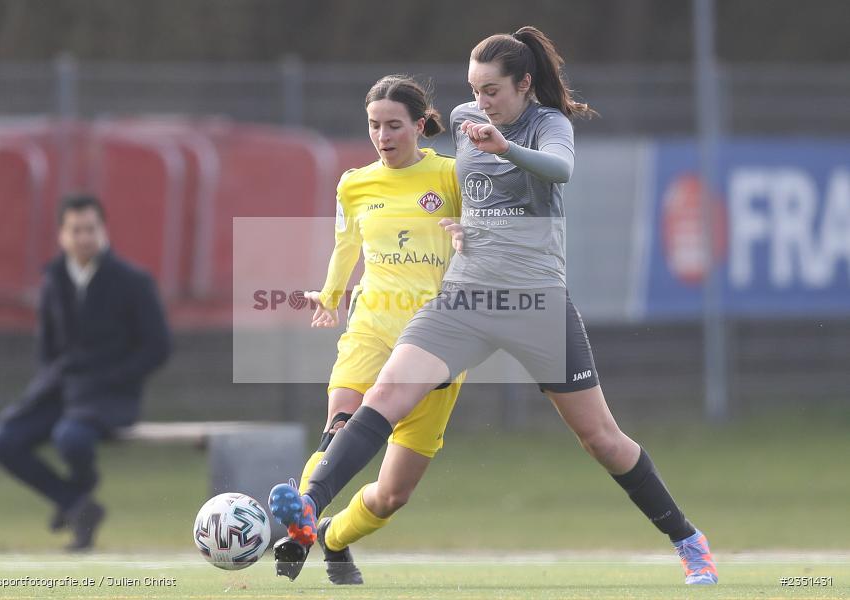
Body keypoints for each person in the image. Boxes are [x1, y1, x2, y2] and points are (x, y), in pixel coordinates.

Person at [270, 26, 719, 586]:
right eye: (473, 90)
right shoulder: (461, 120)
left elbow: (561, 171)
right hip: (464, 297)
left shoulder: (546, 124)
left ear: (524, 84)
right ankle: (309, 505)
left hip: (535, 300)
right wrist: (463, 227)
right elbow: (471, 194)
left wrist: (505, 146)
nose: (479, 103)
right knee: (383, 396)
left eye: (491, 91)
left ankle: (688, 539)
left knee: (600, 438)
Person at [270, 75, 465, 585]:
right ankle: (303, 521)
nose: (383, 135)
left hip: (437, 339)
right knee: (339, 425)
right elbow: (346, 245)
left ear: (419, 125)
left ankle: (331, 536)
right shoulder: (354, 183)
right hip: (372, 324)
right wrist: (330, 297)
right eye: (375, 125)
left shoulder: (451, 177)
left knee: (391, 495)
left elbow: (487, 237)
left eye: (394, 125)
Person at [0, 194, 171, 551]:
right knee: (4, 441)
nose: (84, 237)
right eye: (76, 230)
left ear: (103, 231)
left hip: (109, 394)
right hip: (60, 390)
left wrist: (117, 377)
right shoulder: (53, 280)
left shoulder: (132, 281)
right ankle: (76, 502)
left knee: (71, 438)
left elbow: (157, 347)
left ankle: (75, 503)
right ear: (62, 235)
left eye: (91, 229)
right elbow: (48, 347)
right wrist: (50, 382)